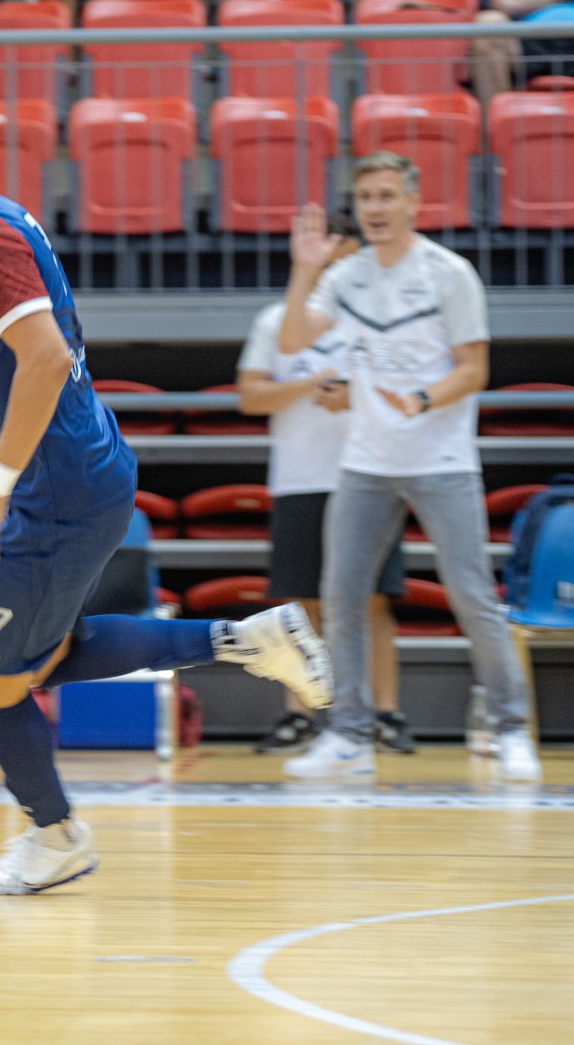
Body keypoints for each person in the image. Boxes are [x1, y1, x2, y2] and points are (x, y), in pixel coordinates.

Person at [0, 68, 331, 894]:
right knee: (25, 663)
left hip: (58, 492)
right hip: (69, 473)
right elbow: (50, 365)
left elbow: (47, 358)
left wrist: (3, 486)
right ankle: (248, 641)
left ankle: (57, 836)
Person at [277, 153, 542, 782]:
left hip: (443, 461)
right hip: (366, 464)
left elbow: (474, 369)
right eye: (366, 197)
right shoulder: (349, 276)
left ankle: (510, 729)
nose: (375, 208)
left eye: (387, 195)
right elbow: (291, 341)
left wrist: (421, 400)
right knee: (340, 598)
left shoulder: (449, 274)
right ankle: (348, 735)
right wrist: (304, 270)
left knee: (473, 598)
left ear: (413, 201)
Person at [236, 215, 414, 757]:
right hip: (301, 479)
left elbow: (412, 395)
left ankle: (386, 714)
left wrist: (356, 395)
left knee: (375, 603)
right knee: (303, 605)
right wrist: (307, 384)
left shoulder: (383, 321)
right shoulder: (277, 322)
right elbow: (251, 397)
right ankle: (302, 715)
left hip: (370, 475)